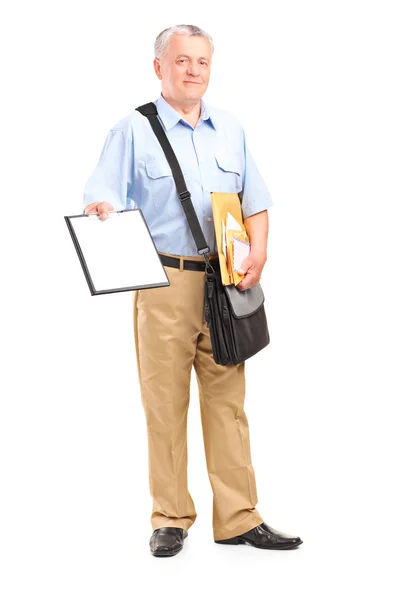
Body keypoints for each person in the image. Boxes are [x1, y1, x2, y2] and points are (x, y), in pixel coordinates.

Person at [82, 24, 303, 558]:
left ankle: (239, 518)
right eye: (182, 61)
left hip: (226, 278)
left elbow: (256, 200)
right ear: (159, 67)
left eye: (202, 62)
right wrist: (103, 211)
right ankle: (170, 517)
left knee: (229, 401)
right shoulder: (133, 130)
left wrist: (260, 252)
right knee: (165, 404)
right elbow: (100, 197)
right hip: (164, 283)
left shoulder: (231, 128)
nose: (193, 70)